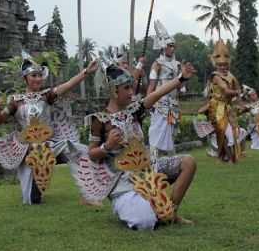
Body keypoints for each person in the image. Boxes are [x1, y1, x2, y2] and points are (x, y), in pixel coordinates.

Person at [81, 52, 197, 230]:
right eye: (126, 88)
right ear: (113, 90)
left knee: (188, 162)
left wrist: (181, 78)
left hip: (149, 169)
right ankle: (131, 209)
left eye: (131, 87)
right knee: (146, 222)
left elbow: (156, 95)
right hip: (123, 182)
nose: (131, 92)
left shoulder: (134, 110)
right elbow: (92, 154)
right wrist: (107, 146)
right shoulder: (99, 120)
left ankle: (171, 212)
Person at [0, 50, 98, 205]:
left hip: (50, 145)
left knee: (84, 151)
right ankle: (36, 192)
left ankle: (88, 195)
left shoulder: (46, 95)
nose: (38, 79)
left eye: (40, 75)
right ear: (25, 78)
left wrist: (86, 71)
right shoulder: (16, 100)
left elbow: (67, 85)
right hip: (27, 150)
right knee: (31, 200)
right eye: (34, 75)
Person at [147, 20, 184, 157]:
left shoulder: (177, 64)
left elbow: (179, 85)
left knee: (172, 132)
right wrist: (148, 101)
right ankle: (154, 159)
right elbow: (152, 84)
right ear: (163, 46)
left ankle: (171, 161)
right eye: (170, 46)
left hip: (173, 103)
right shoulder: (157, 64)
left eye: (173, 46)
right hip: (160, 103)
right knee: (157, 132)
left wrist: (182, 87)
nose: (172, 49)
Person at [206, 39, 242, 164]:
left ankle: (221, 158)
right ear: (216, 65)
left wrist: (240, 103)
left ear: (228, 64)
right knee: (221, 131)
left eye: (224, 65)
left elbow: (238, 88)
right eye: (219, 65)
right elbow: (227, 91)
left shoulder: (231, 76)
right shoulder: (215, 76)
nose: (222, 67)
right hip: (216, 106)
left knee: (230, 132)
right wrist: (236, 92)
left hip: (227, 106)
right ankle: (229, 158)